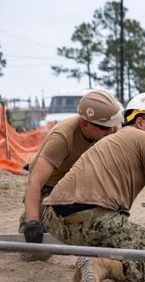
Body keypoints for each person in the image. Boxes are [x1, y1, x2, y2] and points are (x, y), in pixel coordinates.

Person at [43, 92, 145, 282]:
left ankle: (90, 267)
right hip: (93, 220)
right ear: (140, 122)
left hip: (54, 220)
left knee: (110, 232)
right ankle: (102, 266)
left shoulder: (110, 139)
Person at [19, 89, 124, 260]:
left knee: (101, 227)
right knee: (35, 253)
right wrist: (32, 223)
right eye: (104, 128)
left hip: (82, 182)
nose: (111, 131)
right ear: (85, 124)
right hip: (50, 187)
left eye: (112, 126)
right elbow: (35, 182)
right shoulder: (62, 138)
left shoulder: (111, 128)